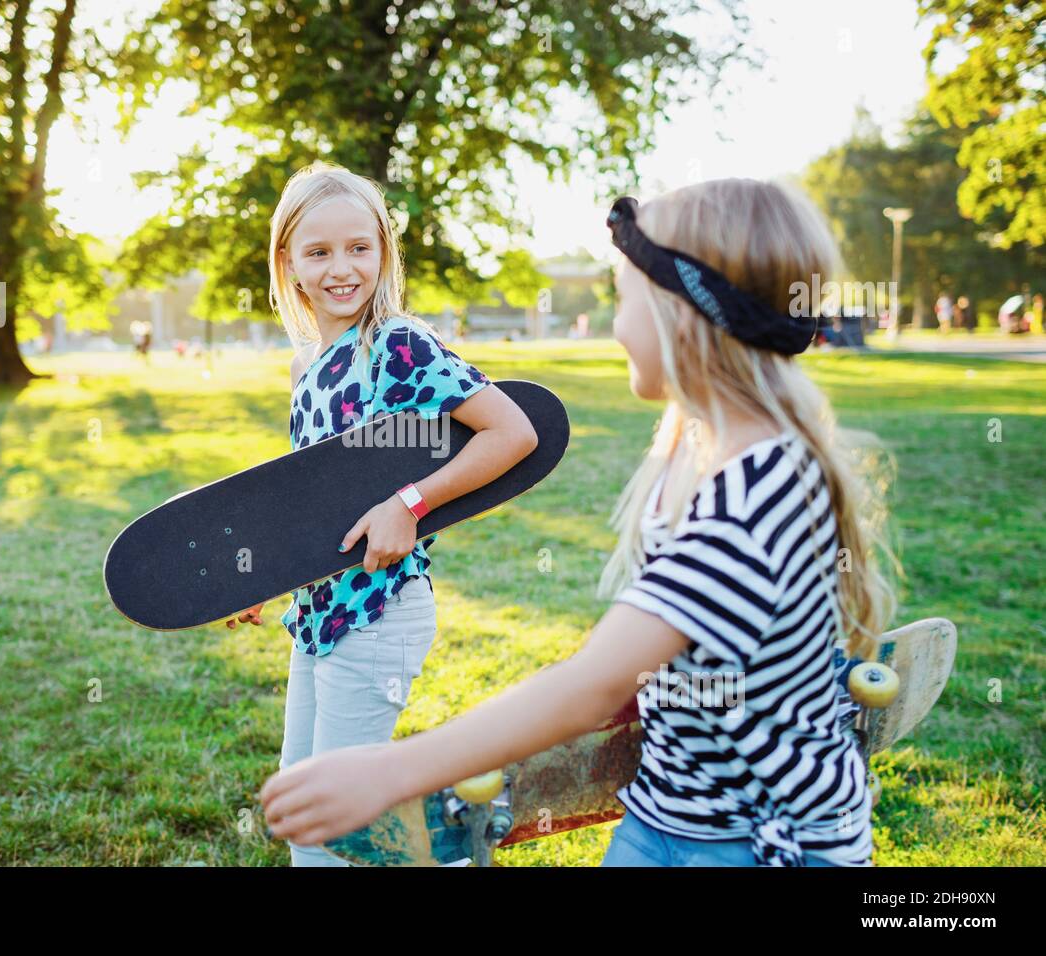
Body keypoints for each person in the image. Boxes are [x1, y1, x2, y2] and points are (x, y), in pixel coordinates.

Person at [260, 177, 899, 867]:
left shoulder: (750, 497)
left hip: (754, 847)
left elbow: (594, 685)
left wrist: (396, 771)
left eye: (622, 300)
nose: (616, 325)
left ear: (679, 315)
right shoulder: (709, 457)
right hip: (666, 817)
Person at [230, 161, 538, 867]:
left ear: (383, 251)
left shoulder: (398, 346)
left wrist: (412, 503)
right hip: (317, 613)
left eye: (358, 247)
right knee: (305, 803)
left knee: (326, 835)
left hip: (379, 609)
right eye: (318, 252)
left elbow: (513, 433)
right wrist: (263, 575)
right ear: (289, 264)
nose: (342, 268)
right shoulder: (307, 366)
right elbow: (319, 501)